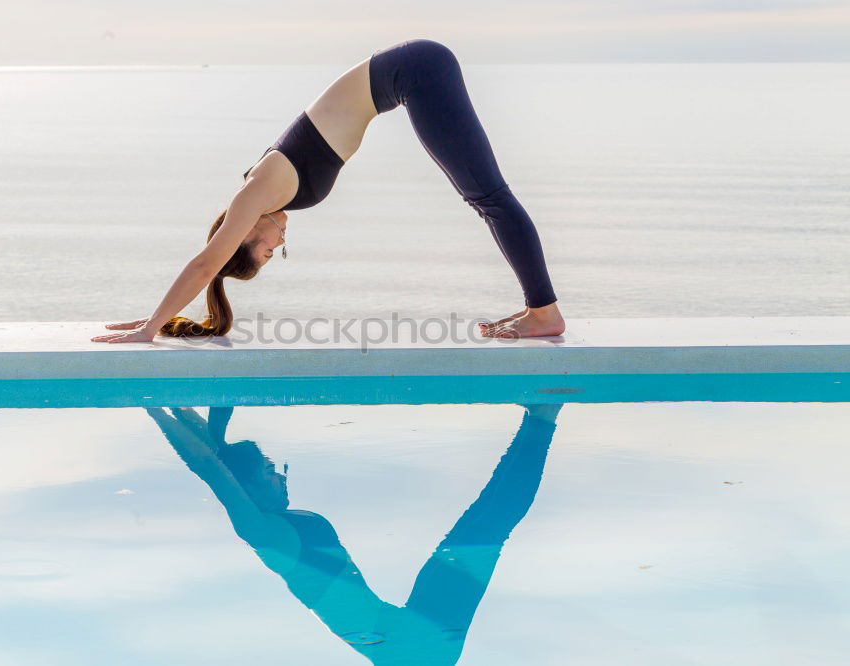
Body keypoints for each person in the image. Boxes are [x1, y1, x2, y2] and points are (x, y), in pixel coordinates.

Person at [93, 39, 564, 345]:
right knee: (485, 199)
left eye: (266, 253)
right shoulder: (265, 192)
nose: (278, 246)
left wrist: (150, 327)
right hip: (410, 77)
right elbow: (210, 269)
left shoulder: (255, 193)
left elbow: (204, 264)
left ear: (246, 235)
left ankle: (543, 312)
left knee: (488, 198)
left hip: (416, 72)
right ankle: (539, 308)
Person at [145, 403, 561, 664]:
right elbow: (209, 468)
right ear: (249, 487)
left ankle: (539, 417)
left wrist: (178, 402)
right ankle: (542, 417)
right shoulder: (262, 531)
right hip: (414, 651)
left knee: (483, 527)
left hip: (411, 647)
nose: (281, 478)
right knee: (485, 528)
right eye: (271, 473)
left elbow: (214, 455)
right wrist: (153, 407)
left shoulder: (265, 527)